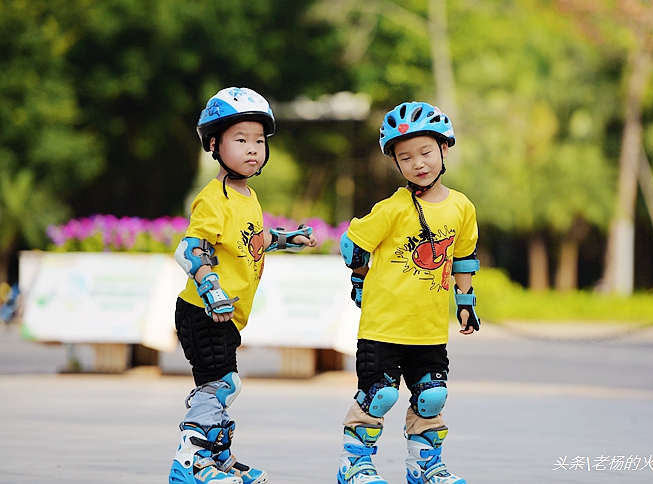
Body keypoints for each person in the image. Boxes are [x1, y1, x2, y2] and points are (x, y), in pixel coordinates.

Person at [169, 87, 317, 484]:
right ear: (214, 145)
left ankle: (218, 458)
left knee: (222, 382)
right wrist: (211, 289)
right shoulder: (212, 199)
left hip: (226, 314)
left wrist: (288, 239)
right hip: (203, 310)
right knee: (221, 384)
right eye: (240, 140)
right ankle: (191, 462)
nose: (253, 149)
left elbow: (254, 238)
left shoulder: (247, 196)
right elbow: (189, 249)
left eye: (259, 141)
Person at [337, 101, 480, 484]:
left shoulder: (462, 207)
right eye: (405, 157)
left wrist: (465, 304)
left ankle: (424, 466)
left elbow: (464, 258)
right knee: (379, 395)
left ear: (444, 149)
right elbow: (352, 245)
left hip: (429, 328)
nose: (418, 163)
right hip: (382, 326)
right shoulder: (392, 208)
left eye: (425, 152)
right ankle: (354, 465)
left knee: (431, 397)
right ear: (396, 164)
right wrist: (360, 280)